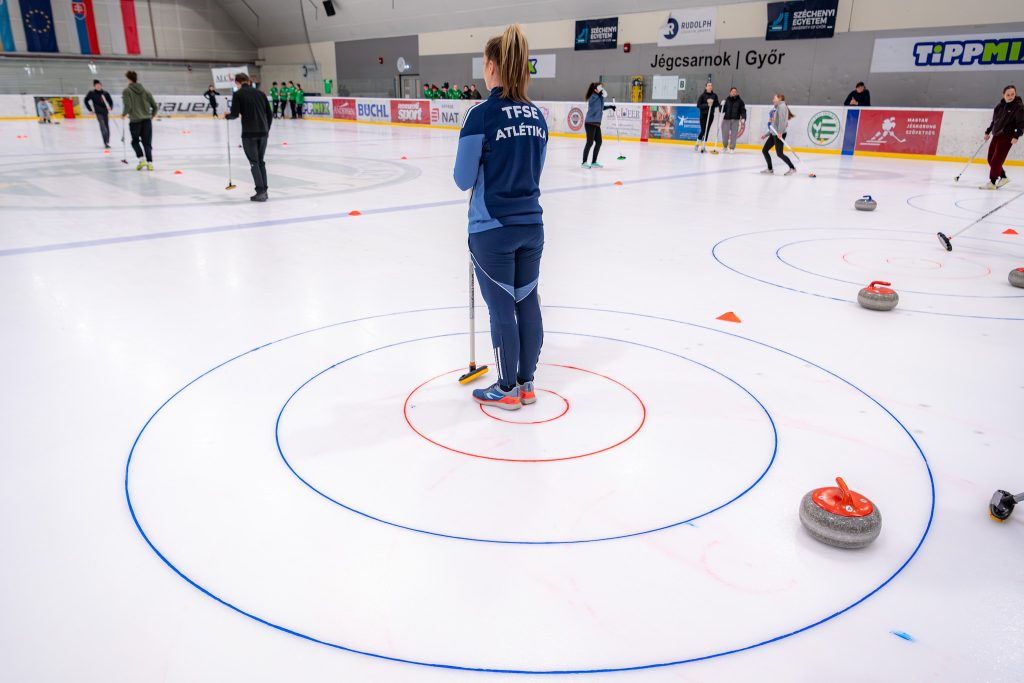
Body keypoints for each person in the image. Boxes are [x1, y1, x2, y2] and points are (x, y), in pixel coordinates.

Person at [453, 24, 548, 411]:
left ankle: (507, 387)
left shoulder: (481, 116)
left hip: (492, 229)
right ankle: (526, 384)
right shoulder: (538, 117)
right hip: (531, 226)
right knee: (527, 303)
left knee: (501, 309)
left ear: (493, 66)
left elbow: (461, 179)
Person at [225, 72, 273, 202]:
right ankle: (264, 190)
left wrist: (227, 116)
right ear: (248, 81)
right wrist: (266, 129)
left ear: (237, 82)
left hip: (249, 133)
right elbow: (270, 114)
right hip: (263, 133)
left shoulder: (238, 94)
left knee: (254, 162)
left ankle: (261, 191)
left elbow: (234, 114)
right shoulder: (261, 93)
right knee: (261, 161)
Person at [981, 85, 1023, 190]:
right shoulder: (999, 106)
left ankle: (992, 182)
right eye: (1008, 94)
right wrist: (988, 132)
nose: (1010, 96)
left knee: (996, 160)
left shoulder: (1019, 107)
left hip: (1007, 136)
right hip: (996, 135)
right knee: (990, 159)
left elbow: (1021, 124)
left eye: (1012, 94)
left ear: (1015, 93)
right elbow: (994, 121)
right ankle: (1003, 177)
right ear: (1003, 95)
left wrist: (1016, 136)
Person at [122, 70, 158, 171]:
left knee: (135, 142)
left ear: (129, 79)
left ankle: (142, 159)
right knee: (147, 143)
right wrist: (151, 116)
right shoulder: (146, 91)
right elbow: (155, 106)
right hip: (147, 121)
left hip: (135, 121)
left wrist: (123, 114)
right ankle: (150, 163)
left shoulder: (127, 91)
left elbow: (128, 106)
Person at [760, 93, 796, 176]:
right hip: (774, 134)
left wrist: (780, 132)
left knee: (779, 154)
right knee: (765, 150)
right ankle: (770, 169)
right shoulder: (777, 107)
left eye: (774, 98)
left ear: (779, 99)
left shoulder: (782, 107)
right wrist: (766, 134)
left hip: (779, 134)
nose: (773, 100)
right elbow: (774, 125)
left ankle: (792, 168)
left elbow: (782, 121)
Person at [582, 82, 615, 168]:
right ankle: (584, 162)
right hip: (590, 123)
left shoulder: (599, 97)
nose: (602, 89)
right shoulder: (592, 97)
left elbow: (601, 107)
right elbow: (593, 104)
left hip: (596, 123)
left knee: (599, 142)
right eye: (600, 87)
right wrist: (600, 96)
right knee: (589, 142)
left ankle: (594, 162)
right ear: (595, 89)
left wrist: (610, 107)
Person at [83, 79, 114, 148]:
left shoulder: (105, 93)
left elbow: (111, 101)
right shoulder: (91, 93)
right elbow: (85, 100)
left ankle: (107, 141)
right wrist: (90, 110)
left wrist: (110, 107)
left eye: (99, 85)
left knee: (106, 127)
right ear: (94, 86)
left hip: (105, 112)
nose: (98, 86)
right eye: (96, 85)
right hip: (98, 113)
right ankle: (105, 143)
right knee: (103, 127)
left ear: (101, 85)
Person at [720, 86, 746, 154]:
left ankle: (732, 148)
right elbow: (721, 111)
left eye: (735, 92)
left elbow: (743, 110)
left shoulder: (740, 101)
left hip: (735, 120)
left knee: (734, 135)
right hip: (726, 119)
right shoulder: (726, 100)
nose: (734, 93)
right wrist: (721, 105)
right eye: (732, 92)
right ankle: (725, 147)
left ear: (736, 93)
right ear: (730, 92)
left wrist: (743, 117)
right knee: (725, 134)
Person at [695, 81, 720, 153]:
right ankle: (697, 144)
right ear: (706, 87)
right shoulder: (702, 96)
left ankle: (703, 146)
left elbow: (716, 104)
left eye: (711, 85)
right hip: (703, 115)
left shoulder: (714, 95)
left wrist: (718, 104)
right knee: (703, 130)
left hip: (711, 115)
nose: (710, 87)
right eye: (708, 85)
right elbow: (698, 105)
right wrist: (707, 105)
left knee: (707, 131)